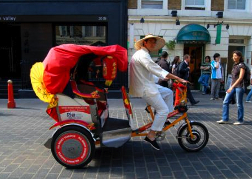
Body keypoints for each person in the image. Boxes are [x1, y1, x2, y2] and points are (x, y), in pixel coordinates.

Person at [129, 34, 187, 150]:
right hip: (145, 88)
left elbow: (149, 73)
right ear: (144, 43)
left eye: (154, 42)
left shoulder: (143, 54)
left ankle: (164, 119)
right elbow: (158, 70)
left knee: (168, 92)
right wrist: (178, 78)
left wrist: (164, 78)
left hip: (147, 84)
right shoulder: (143, 55)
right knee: (163, 110)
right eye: (151, 42)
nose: (153, 44)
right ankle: (151, 136)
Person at [217, 51, 245, 125]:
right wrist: (230, 86)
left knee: (239, 104)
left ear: (239, 56)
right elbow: (233, 78)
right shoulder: (234, 65)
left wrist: (232, 86)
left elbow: (240, 78)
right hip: (232, 86)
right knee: (225, 101)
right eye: (233, 56)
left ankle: (240, 120)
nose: (234, 57)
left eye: (235, 56)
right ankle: (225, 118)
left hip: (239, 86)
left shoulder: (242, 65)